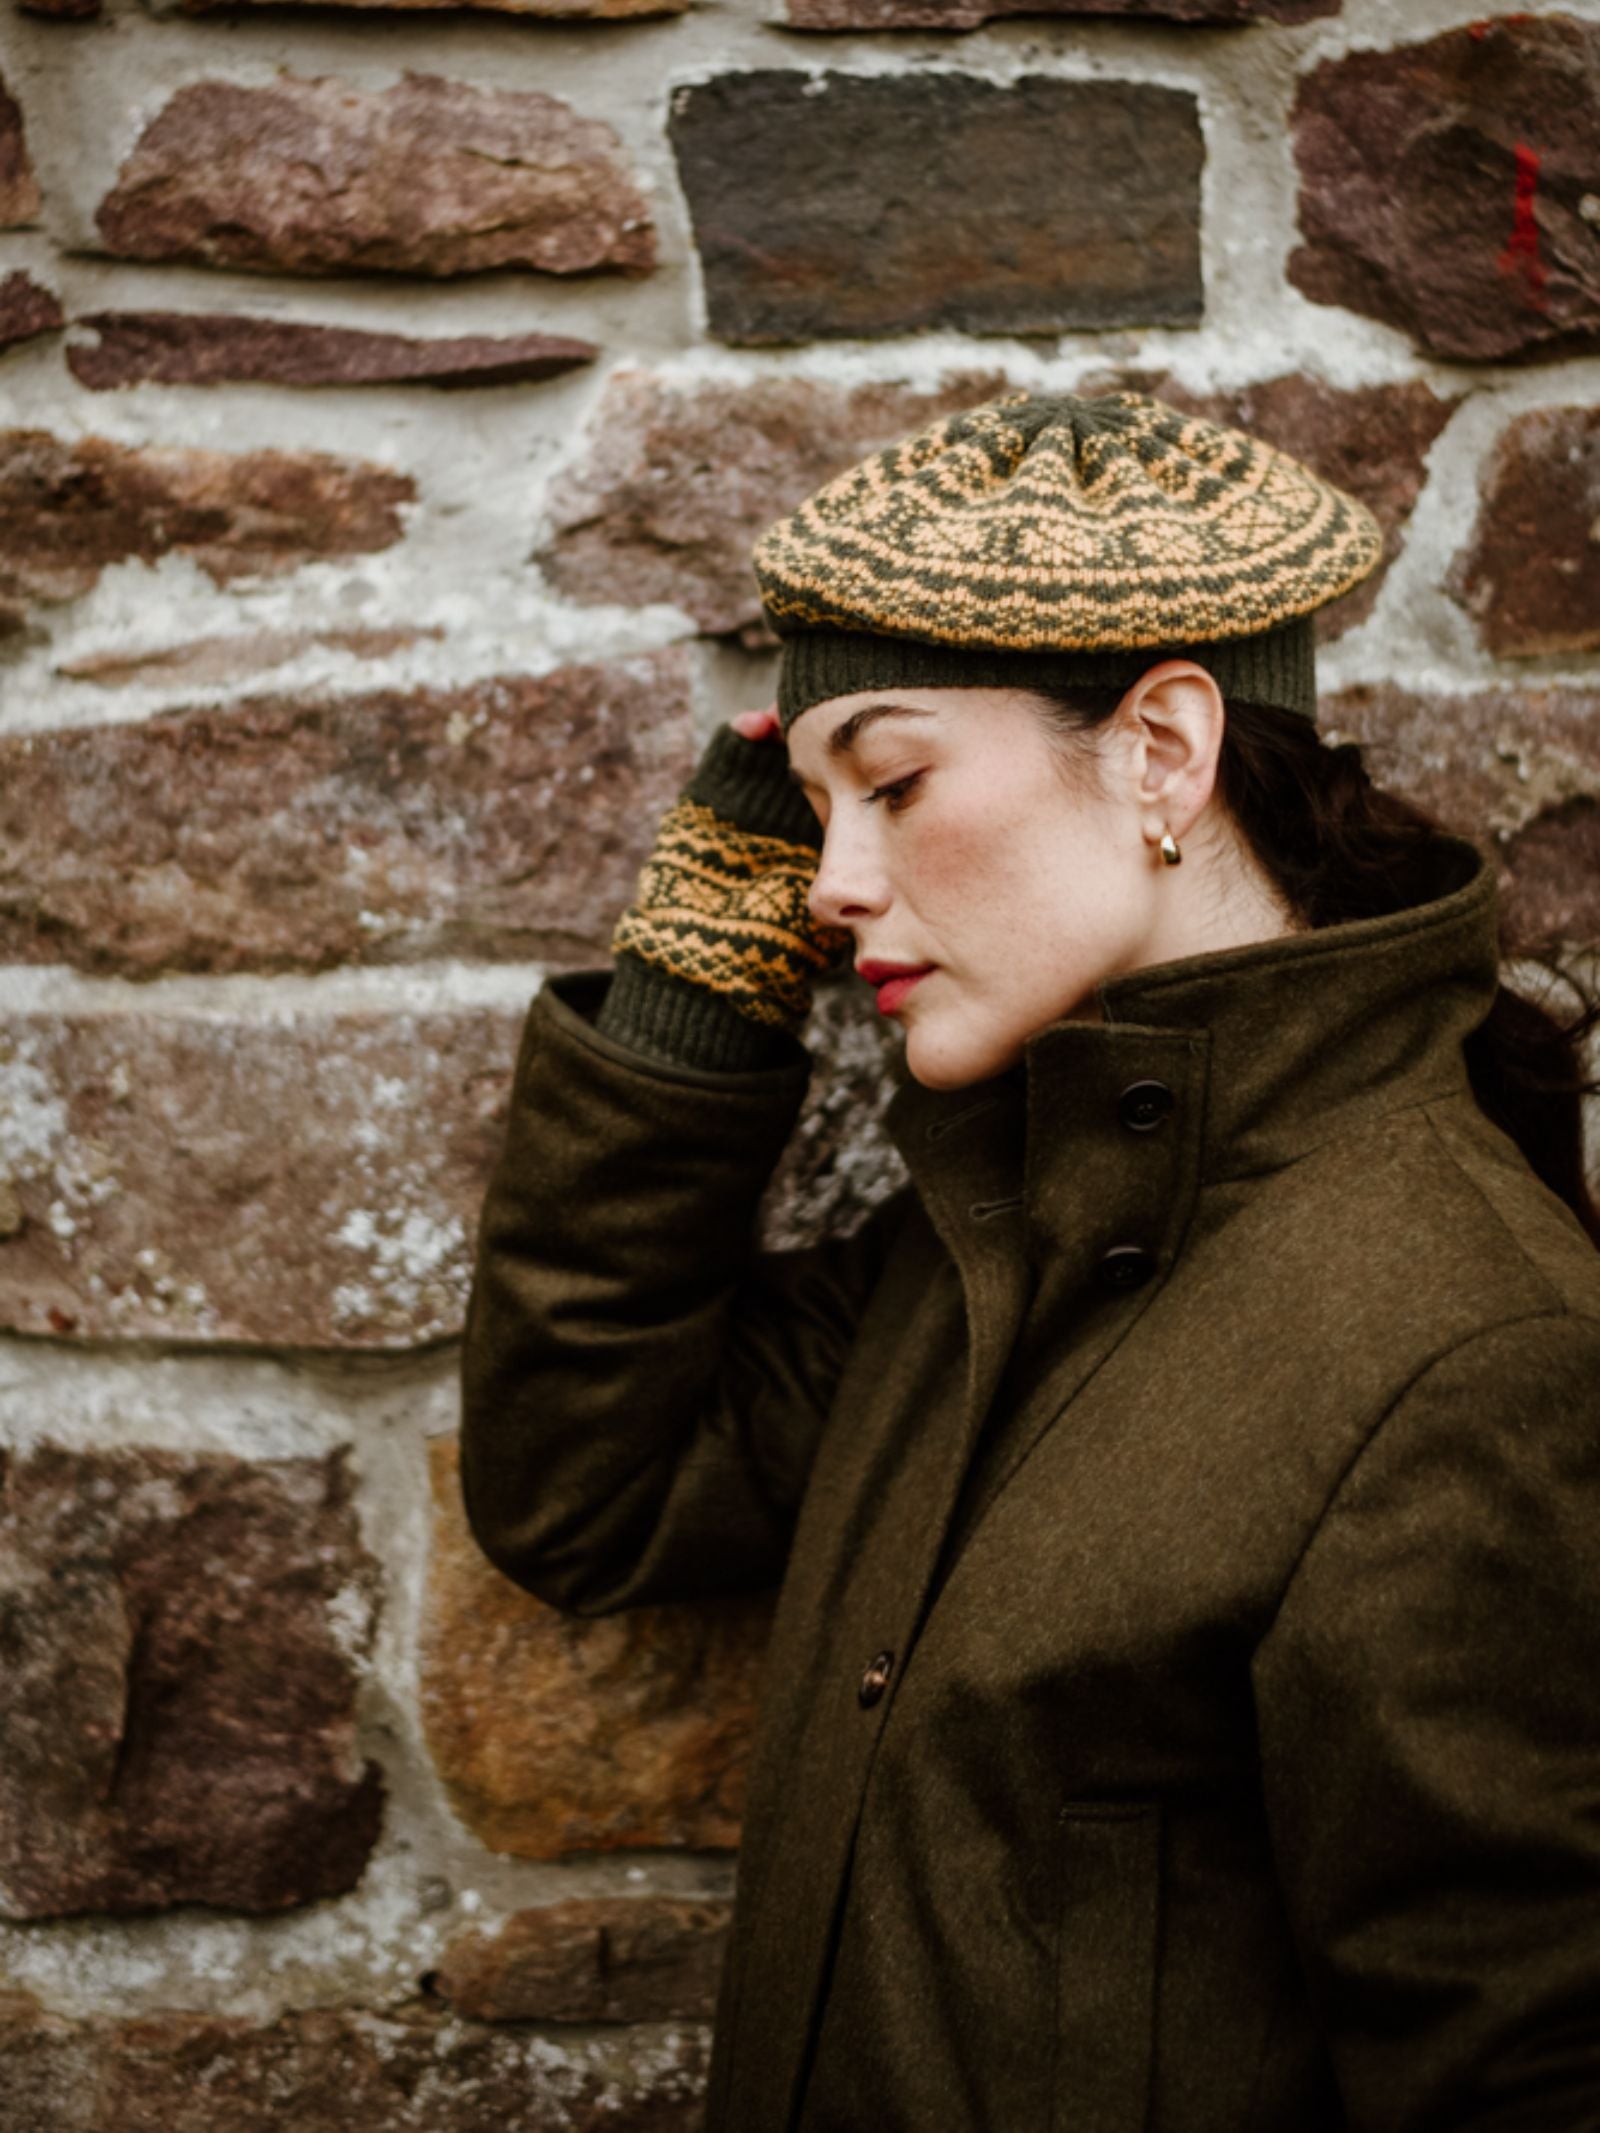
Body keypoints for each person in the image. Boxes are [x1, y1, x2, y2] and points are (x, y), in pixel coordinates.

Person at [457, 389, 1600, 2131]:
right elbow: (586, 1489)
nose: (828, 882)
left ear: (1162, 751)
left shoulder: (1473, 1353)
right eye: (810, 801)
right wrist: (699, 969)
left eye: (894, 783)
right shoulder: (984, 1243)